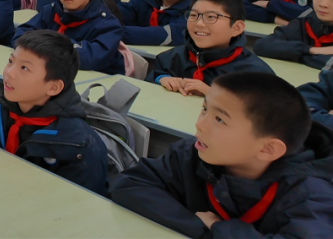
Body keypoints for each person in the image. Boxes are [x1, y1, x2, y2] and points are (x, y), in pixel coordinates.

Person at [111, 73, 333, 239]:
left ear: (267, 149)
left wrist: (221, 229)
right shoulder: (194, 153)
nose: (199, 124)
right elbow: (130, 184)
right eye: (205, 109)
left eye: (220, 120)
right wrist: (200, 228)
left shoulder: (311, 196)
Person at [0, 31, 109, 196]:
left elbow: (78, 208)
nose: (9, 72)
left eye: (24, 68)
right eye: (10, 61)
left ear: (53, 87)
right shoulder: (2, 111)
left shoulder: (79, 146)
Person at [146, 0, 273, 96]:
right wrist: (162, 79)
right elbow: (153, 78)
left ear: (236, 28)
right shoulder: (172, 57)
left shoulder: (255, 74)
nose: (199, 23)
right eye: (194, 15)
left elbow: (266, 110)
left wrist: (214, 94)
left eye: (211, 17)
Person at [13, 0, 126, 75]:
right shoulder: (50, 11)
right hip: (53, 76)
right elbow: (21, 35)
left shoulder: (108, 24)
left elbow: (89, 59)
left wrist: (46, 42)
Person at [255, 0, 333, 69]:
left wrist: (297, 56)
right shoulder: (307, 23)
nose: (323, 4)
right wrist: (311, 50)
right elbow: (262, 45)